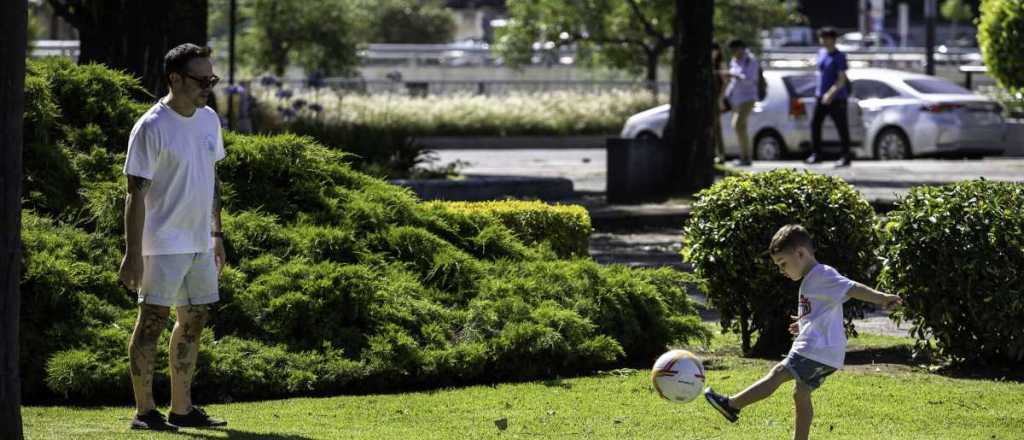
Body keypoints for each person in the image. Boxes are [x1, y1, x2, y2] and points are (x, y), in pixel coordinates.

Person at [703, 224, 902, 440]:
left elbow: (853, 288)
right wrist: (804, 324)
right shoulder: (813, 279)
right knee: (801, 394)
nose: (782, 270)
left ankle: (732, 405)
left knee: (779, 372)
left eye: (783, 263)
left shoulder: (822, 274)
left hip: (816, 349)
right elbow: (824, 310)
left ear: (800, 253)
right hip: (827, 353)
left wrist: (883, 298)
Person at [120, 43, 228, 431]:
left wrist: (216, 234)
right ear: (175, 79)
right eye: (201, 80)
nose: (208, 88)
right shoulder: (151, 126)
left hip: (200, 242)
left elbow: (212, 179)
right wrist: (133, 253)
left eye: (212, 80)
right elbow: (134, 194)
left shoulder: (209, 120)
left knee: (194, 321)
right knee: (151, 322)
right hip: (161, 244)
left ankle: (182, 409)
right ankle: (144, 412)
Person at [805, 27, 853, 167]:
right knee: (815, 124)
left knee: (841, 127)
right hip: (820, 95)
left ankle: (845, 156)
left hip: (837, 98)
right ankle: (816, 154)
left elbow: (841, 79)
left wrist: (830, 94)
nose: (822, 40)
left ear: (832, 39)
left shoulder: (839, 56)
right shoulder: (821, 53)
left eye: (825, 38)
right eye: (821, 38)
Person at [724, 39, 760, 166]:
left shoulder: (751, 60)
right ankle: (745, 157)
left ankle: (745, 157)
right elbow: (732, 82)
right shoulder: (734, 60)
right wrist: (727, 95)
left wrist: (736, 76)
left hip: (748, 97)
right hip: (737, 99)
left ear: (741, 48)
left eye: (735, 50)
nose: (734, 53)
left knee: (738, 124)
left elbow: (751, 79)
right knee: (740, 127)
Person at [712, 42, 729, 164]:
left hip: (716, 98)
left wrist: (720, 99)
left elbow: (725, 83)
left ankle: (721, 154)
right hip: (708, 99)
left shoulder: (720, 65)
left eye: (715, 50)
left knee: (717, 127)